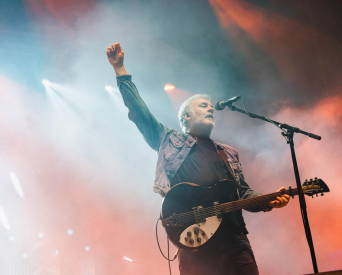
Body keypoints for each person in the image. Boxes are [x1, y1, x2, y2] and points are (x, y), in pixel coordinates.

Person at [106, 42, 290, 275]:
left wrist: (268, 200)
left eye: (212, 107)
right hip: (195, 241)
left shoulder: (228, 152)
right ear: (186, 115)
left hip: (235, 241)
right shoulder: (168, 140)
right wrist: (121, 72)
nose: (211, 109)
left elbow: (242, 192)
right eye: (204, 106)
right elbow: (140, 114)